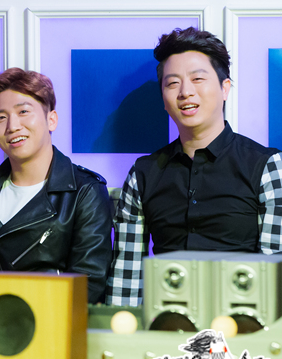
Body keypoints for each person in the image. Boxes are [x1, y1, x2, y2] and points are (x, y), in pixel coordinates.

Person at [107, 27, 282, 306]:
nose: (185, 92)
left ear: (225, 88)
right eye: (172, 83)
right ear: (163, 99)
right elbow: (126, 279)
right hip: (166, 321)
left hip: (245, 322)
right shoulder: (143, 173)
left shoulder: (266, 166)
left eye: (198, 79)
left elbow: (276, 272)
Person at [0, 68, 113, 303]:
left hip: (53, 319)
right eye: (1, 118)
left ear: (51, 119)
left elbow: (87, 286)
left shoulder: (84, 191)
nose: (12, 126)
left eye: (23, 111)